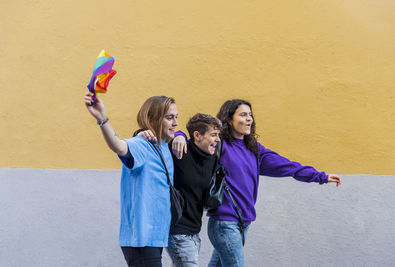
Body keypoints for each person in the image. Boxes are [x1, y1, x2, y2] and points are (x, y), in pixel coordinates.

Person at [172, 99, 342, 267]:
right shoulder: (219, 145)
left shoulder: (255, 149)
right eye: (243, 115)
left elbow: (289, 166)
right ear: (229, 120)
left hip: (243, 223)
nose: (249, 119)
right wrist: (178, 135)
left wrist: (320, 176)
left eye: (250, 115)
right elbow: (194, 141)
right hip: (224, 223)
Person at [84, 91, 178, 267]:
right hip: (141, 238)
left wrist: (180, 135)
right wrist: (102, 118)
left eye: (176, 117)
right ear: (155, 119)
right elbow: (119, 147)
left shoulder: (164, 145)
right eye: (170, 117)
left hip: (155, 237)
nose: (176, 122)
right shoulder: (141, 144)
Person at [137, 113, 222, 267]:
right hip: (177, 231)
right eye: (214, 135)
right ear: (197, 135)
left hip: (195, 232)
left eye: (218, 135)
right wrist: (140, 134)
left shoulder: (213, 157)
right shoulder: (179, 151)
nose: (218, 139)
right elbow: (153, 144)